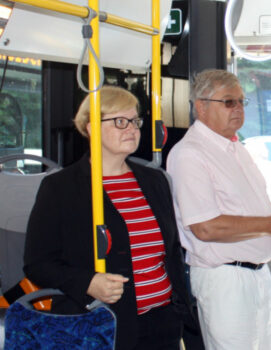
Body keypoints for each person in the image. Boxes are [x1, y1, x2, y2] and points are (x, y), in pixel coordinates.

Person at [24, 86, 198, 350]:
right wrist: (88, 282)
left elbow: (171, 252)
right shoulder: (62, 187)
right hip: (103, 323)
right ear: (92, 127)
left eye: (135, 121)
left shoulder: (155, 180)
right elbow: (38, 263)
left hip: (163, 321)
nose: (132, 129)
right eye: (120, 122)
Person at [166, 69, 271, 350]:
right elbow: (205, 227)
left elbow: (252, 204)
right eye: (228, 102)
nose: (238, 109)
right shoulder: (190, 154)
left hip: (259, 273)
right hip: (226, 279)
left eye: (241, 101)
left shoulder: (236, 148)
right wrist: (270, 225)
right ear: (201, 106)